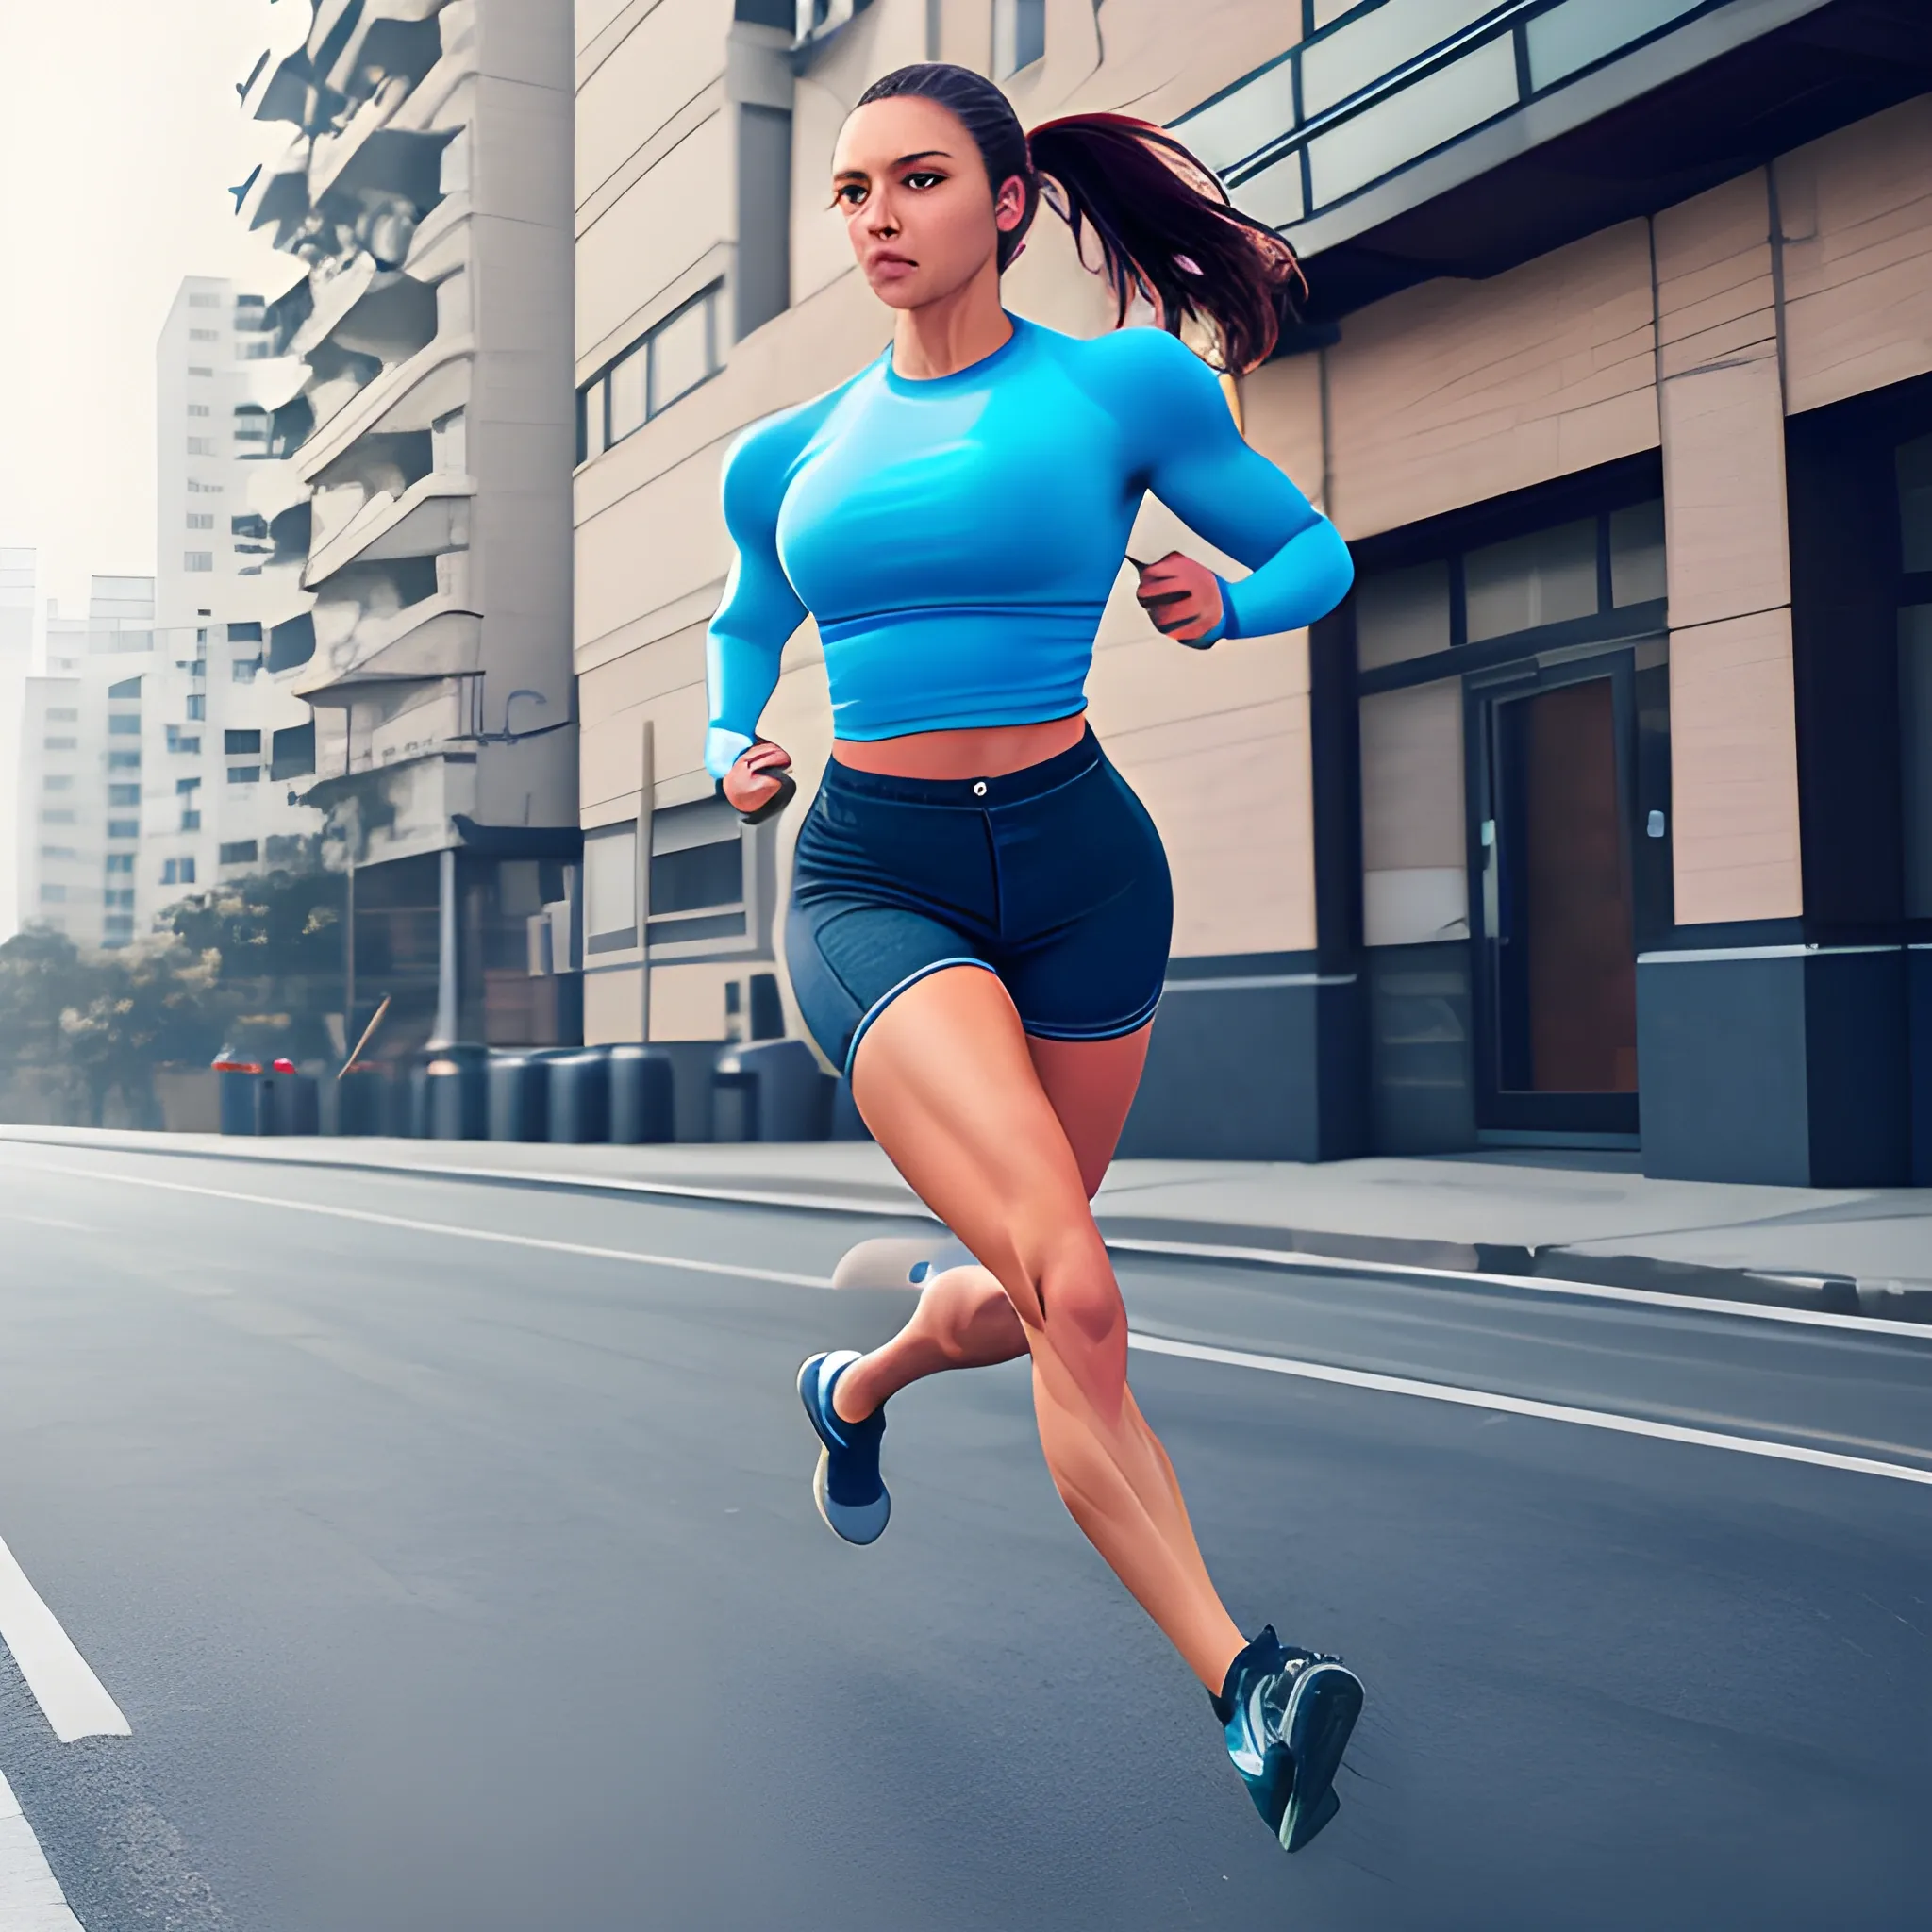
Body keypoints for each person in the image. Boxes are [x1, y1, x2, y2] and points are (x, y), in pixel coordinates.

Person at [705, 61, 1360, 1855]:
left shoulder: (1120, 387)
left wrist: (1229, 602)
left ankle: (858, 1386)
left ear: (1004, 205)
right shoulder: (792, 454)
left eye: (913, 181)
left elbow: (1314, 549)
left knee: (1019, 1294)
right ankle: (1250, 1686)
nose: (875, 217)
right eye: (849, 193)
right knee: (1077, 1288)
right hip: (874, 882)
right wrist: (727, 746)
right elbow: (742, 632)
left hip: (1084, 871)